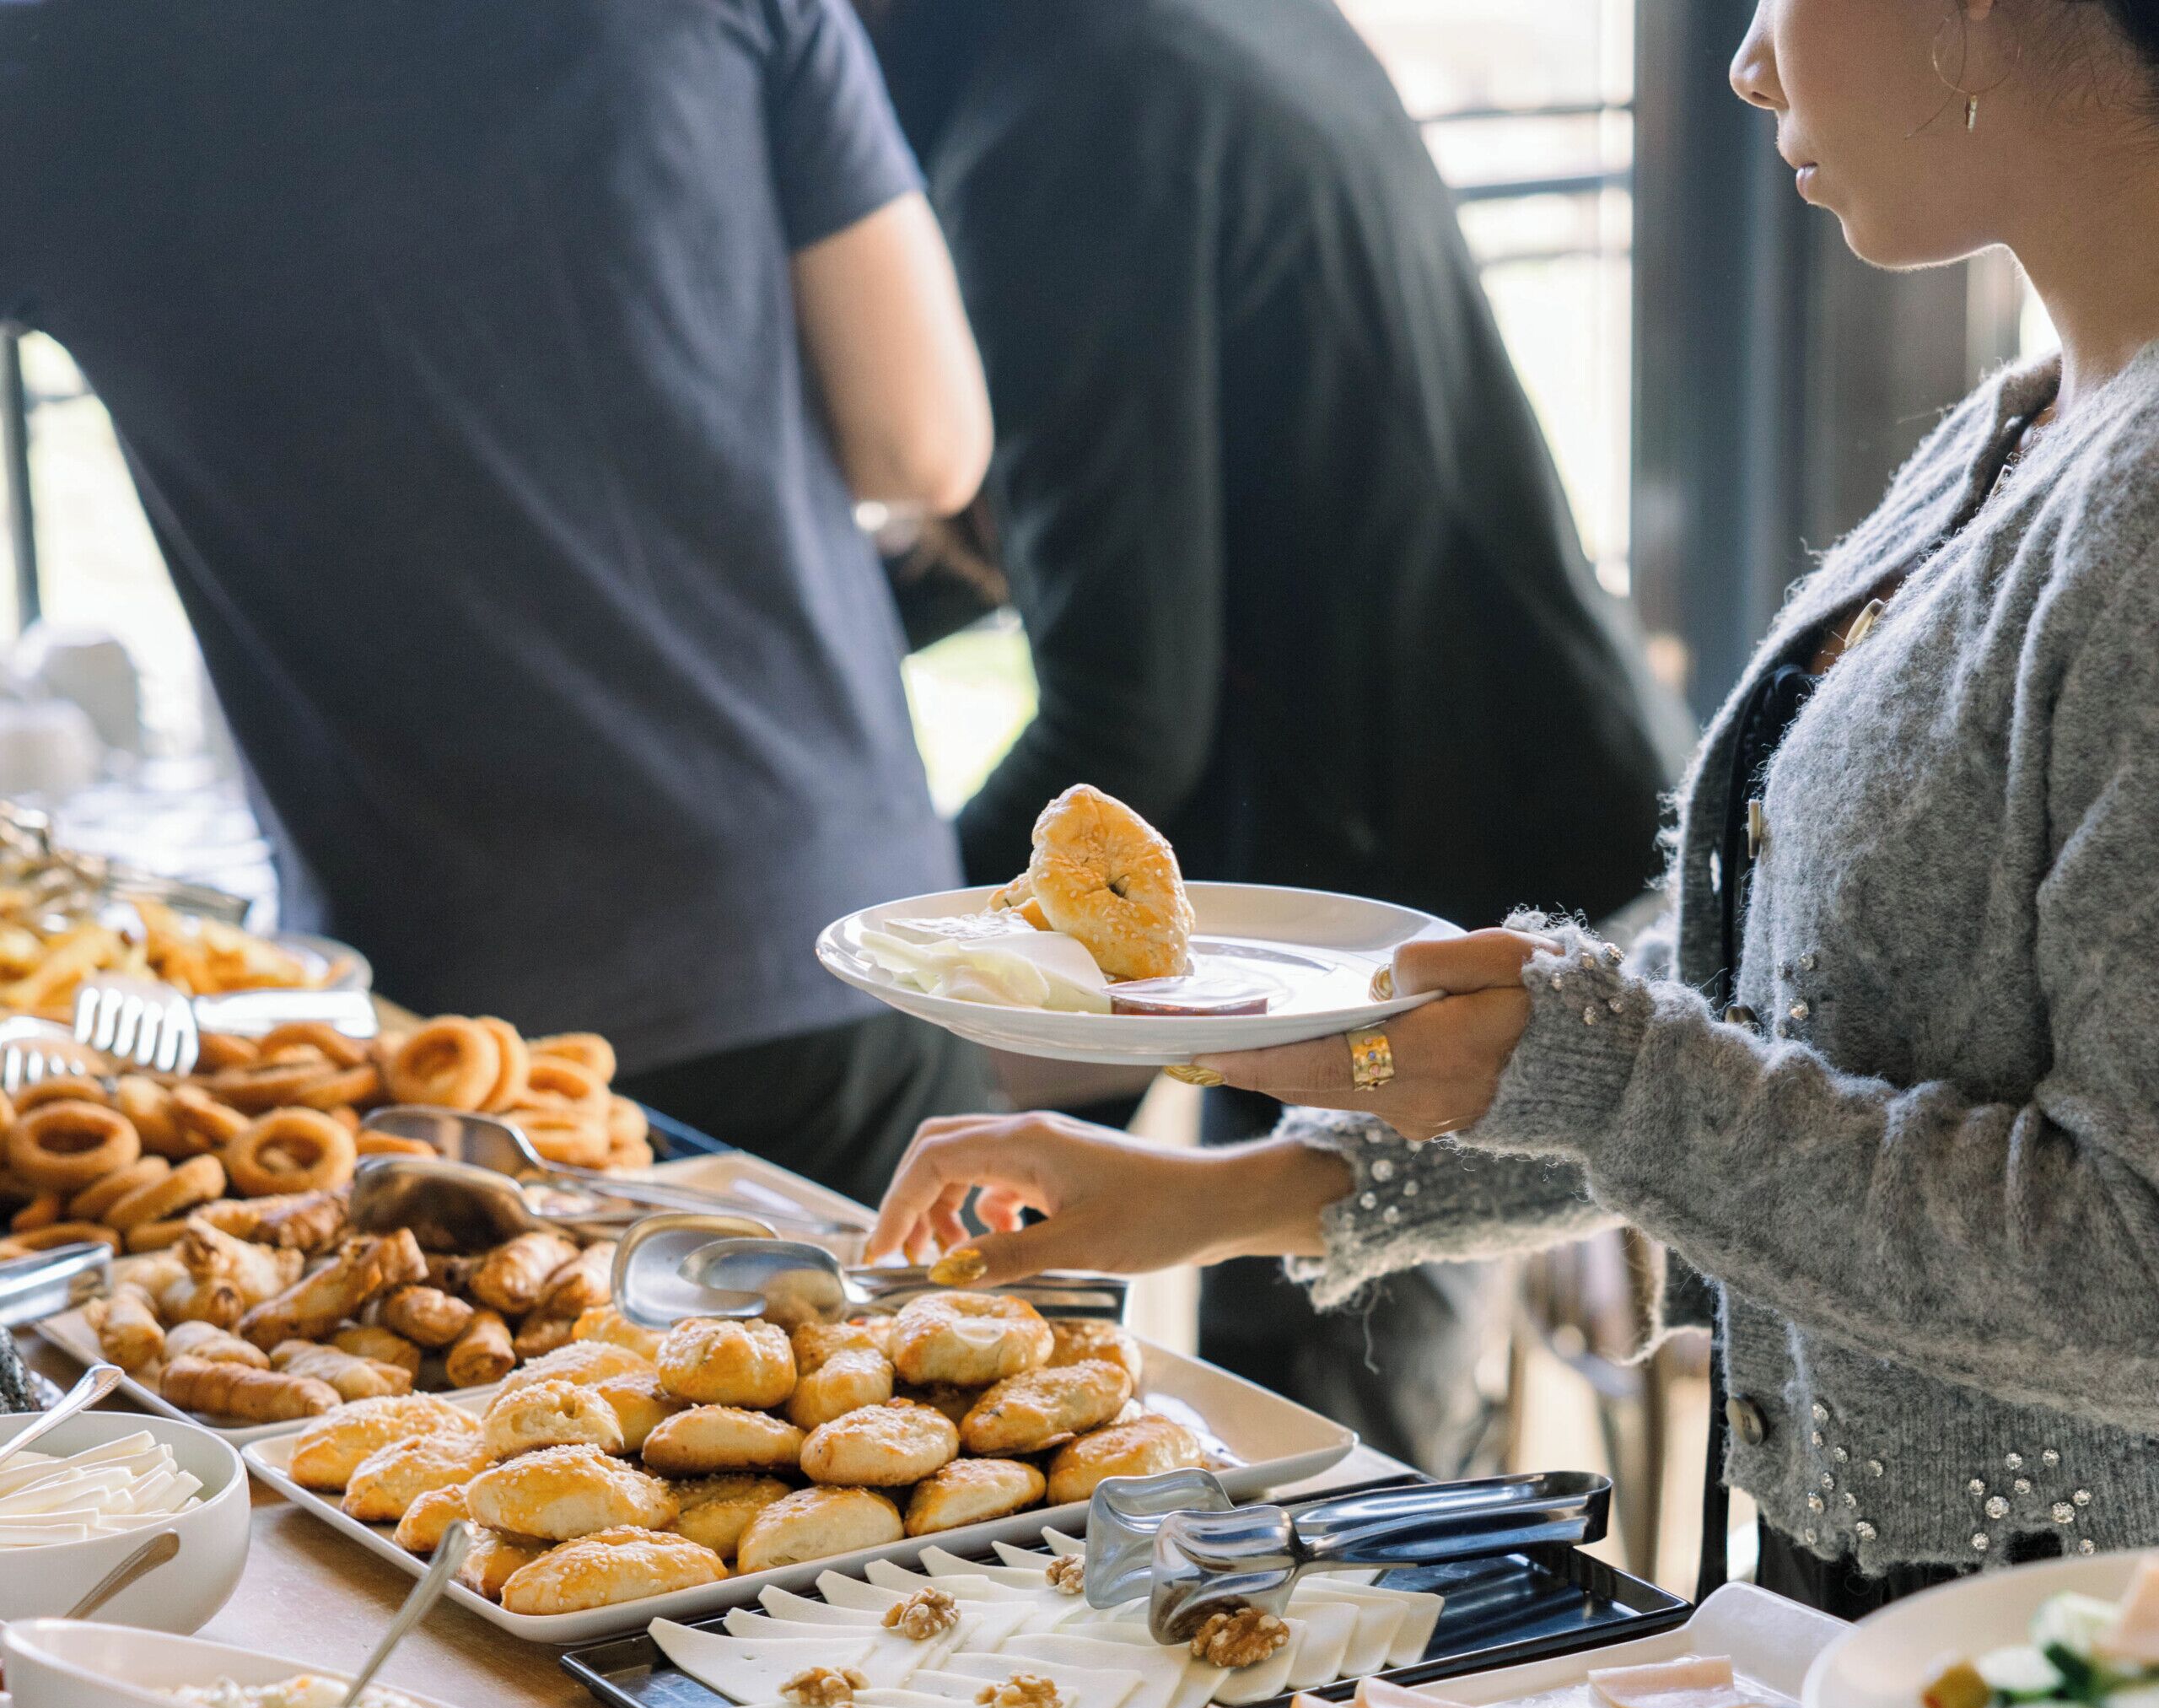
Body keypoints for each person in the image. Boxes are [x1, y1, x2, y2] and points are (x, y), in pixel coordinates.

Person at [869, 0, 2159, 1616]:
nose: (1749, 63)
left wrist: (1609, 1076)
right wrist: (1242, 1194)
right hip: (1869, 1624)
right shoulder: (2023, 426)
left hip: (2068, 1695)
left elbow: (2134, 1263)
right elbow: (1747, 1030)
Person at [863, 0, 1679, 1468]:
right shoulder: (1192, 36)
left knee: (1324, 1481)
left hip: (1390, 883)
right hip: (1530, 774)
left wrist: (916, 952)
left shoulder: (1060, 129)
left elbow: (1126, 719)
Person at [0, 0, 996, 1203]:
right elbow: (924, 447)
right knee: (960, 1375)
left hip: (432, 1022)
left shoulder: (50, 58)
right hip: (821, 921)